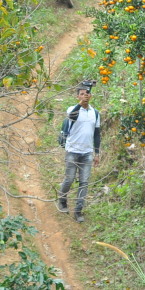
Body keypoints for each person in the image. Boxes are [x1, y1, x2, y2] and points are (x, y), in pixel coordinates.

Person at [58, 84, 101, 222]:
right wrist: (80, 104)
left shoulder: (95, 113)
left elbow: (97, 134)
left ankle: (78, 211)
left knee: (84, 182)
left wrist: (97, 153)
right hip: (72, 150)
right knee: (69, 179)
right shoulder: (72, 109)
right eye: (81, 94)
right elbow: (71, 116)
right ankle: (62, 200)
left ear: (90, 96)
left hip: (87, 153)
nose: (84, 96)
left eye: (86, 94)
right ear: (77, 97)